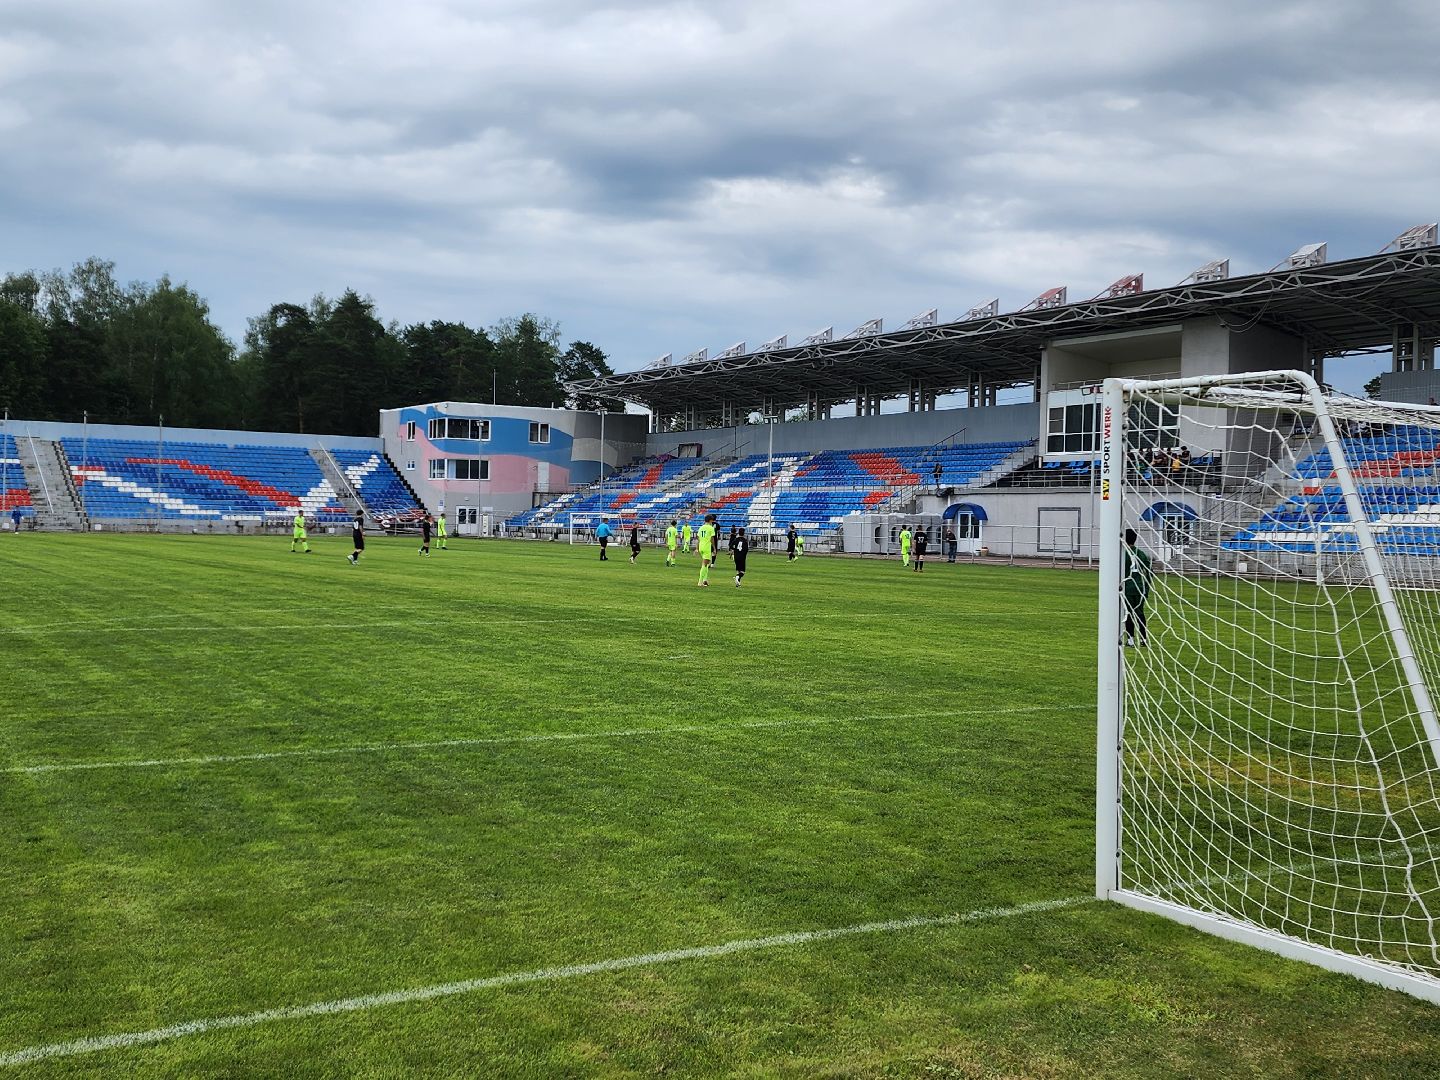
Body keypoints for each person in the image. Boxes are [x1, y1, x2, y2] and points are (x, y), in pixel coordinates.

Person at [1123, 528, 1153, 647]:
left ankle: (1130, 640)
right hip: (1140, 588)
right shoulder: (1140, 553)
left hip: (1128, 588)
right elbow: (1149, 572)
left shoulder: (1123, 553)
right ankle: (1143, 639)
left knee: (1129, 613)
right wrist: (1146, 588)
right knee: (1140, 613)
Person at [696, 512, 717, 587]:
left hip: (701, 546)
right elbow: (712, 539)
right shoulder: (711, 528)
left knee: (706, 564)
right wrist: (714, 548)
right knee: (704, 564)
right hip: (707, 547)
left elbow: (698, 539)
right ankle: (700, 582)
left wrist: (697, 548)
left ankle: (705, 580)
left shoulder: (701, 527)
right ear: (710, 520)